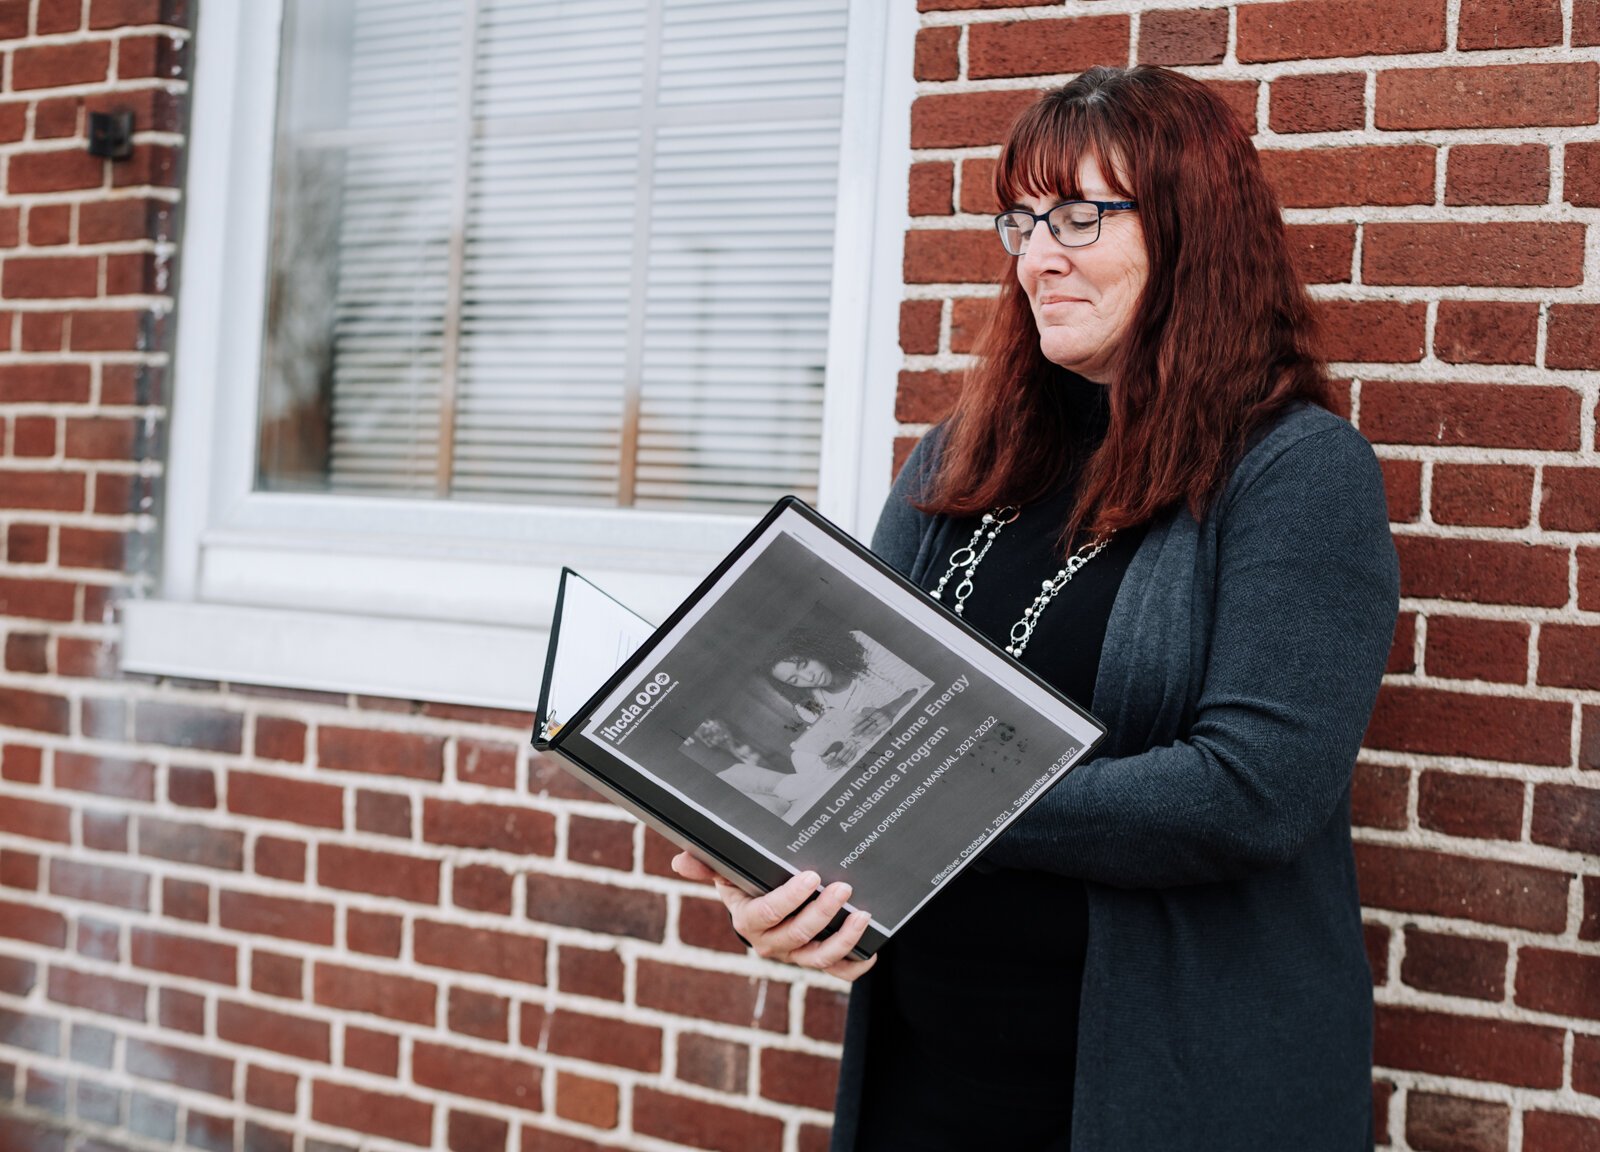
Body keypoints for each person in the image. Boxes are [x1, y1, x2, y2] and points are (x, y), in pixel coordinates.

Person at [674, 64, 1398, 1151]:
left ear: (1191, 231)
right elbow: (834, 754)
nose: (1037, 255)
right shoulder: (956, 463)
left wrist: (926, 803)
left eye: (1078, 216)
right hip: (931, 1083)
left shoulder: (1292, 473)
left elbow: (1248, 792)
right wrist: (782, 882)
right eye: (1021, 220)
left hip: (1165, 1098)